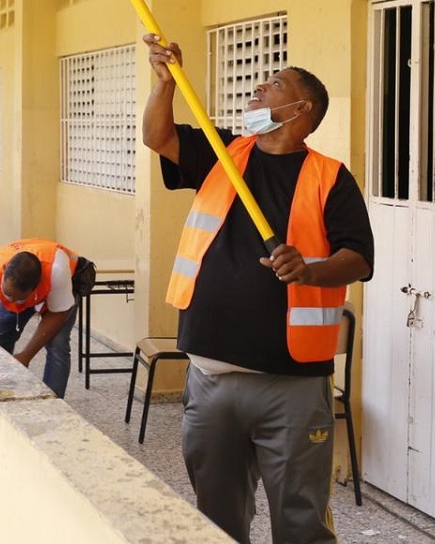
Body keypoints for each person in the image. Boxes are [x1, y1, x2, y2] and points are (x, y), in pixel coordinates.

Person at [141, 32, 374, 544]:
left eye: (273, 85)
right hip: (210, 376)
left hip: (290, 385)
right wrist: (163, 85)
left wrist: (311, 270)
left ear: (300, 108)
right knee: (216, 519)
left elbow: (358, 257)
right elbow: (158, 138)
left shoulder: (330, 177)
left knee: (301, 522)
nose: (258, 90)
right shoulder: (225, 151)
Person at [0, 239, 85, 399]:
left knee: (58, 345)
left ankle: (53, 403)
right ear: (4, 270)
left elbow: (58, 315)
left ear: (36, 288)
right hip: (29, 284)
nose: (12, 301)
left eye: (19, 299)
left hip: (63, 287)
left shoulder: (57, 270)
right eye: (7, 293)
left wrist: (26, 355)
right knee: (2, 338)